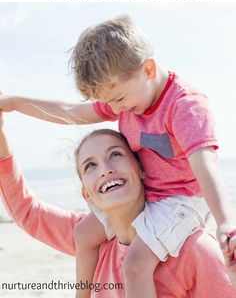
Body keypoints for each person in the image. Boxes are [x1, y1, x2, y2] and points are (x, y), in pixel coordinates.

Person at [0, 15, 236, 297]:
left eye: (119, 100)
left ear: (148, 69)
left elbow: (205, 164)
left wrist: (225, 221)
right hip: (150, 198)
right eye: (110, 102)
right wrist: (13, 103)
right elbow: (71, 113)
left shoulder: (184, 106)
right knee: (84, 235)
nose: (114, 109)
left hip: (179, 203)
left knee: (135, 265)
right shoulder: (129, 97)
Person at [0, 111, 236, 297]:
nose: (105, 169)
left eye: (115, 154)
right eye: (90, 166)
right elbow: (26, 210)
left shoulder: (195, 249)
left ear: (143, 169)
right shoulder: (93, 242)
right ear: (87, 195)